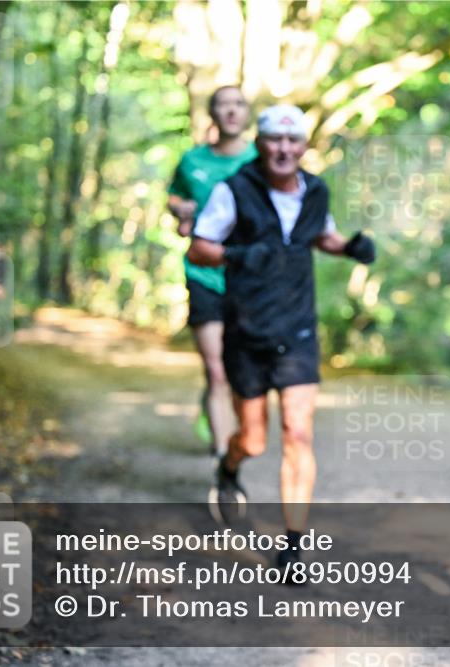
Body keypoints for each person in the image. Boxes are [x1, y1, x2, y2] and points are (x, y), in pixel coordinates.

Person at [187, 104, 376, 570]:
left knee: (298, 433)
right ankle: (229, 466)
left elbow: (321, 236)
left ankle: (293, 545)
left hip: (297, 330)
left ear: (305, 147)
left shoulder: (315, 191)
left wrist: (350, 246)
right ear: (260, 144)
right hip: (247, 328)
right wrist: (237, 255)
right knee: (253, 440)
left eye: (293, 142)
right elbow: (199, 247)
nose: (284, 149)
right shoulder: (233, 190)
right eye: (275, 139)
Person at [167, 85, 257, 456]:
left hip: (250, 278)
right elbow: (174, 196)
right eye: (223, 105)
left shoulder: (261, 160)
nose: (232, 111)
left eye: (238, 104)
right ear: (213, 114)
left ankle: (222, 413)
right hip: (204, 274)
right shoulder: (192, 161)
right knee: (216, 369)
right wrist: (181, 211)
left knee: (242, 369)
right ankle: (224, 461)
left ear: (247, 113)